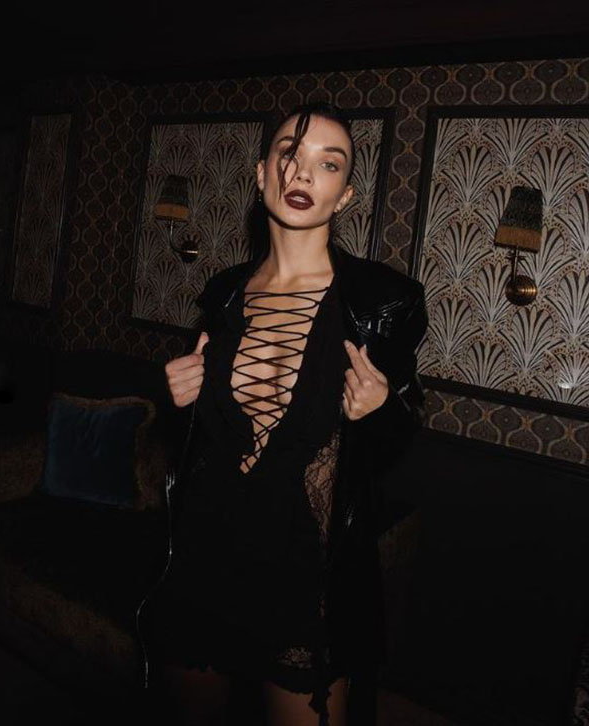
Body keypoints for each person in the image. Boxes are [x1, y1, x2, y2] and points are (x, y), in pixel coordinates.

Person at [138, 102, 428, 726]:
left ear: (345, 195)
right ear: (261, 173)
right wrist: (181, 402)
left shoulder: (382, 302)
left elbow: (395, 443)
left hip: (305, 575)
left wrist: (381, 409)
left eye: (329, 164)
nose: (303, 173)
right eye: (289, 155)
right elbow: (204, 443)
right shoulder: (223, 294)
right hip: (205, 557)